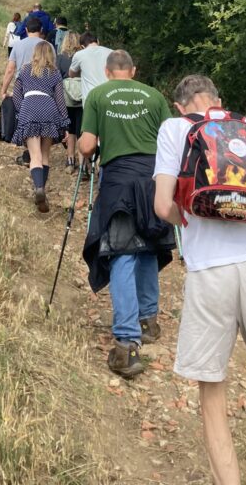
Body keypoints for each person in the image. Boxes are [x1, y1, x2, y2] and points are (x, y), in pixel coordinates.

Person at [153, 74, 246, 485]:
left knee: (212, 392)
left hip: (210, 274)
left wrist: (188, 219)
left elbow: (162, 204)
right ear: (219, 101)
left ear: (180, 105)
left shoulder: (176, 130)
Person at [79, 50, 174, 378]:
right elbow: (169, 142)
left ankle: (126, 342)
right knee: (148, 244)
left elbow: (87, 146)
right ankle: (149, 320)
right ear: (133, 70)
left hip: (119, 179)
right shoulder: (154, 95)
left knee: (121, 251)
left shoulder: (98, 94)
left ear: (107, 72)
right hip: (152, 179)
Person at [11, 41, 69, 212]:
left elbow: (15, 95)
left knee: (34, 155)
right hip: (49, 109)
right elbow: (60, 100)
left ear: (34, 53)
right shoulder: (55, 72)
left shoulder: (25, 70)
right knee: (44, 155)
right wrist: (65, 124)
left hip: (29, 106)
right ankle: (41, 189)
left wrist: (22, 112)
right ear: (51, 54)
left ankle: (38, 189)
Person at [0, 16, 50, 99]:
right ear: (41, 29)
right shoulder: (49, 46)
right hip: (43, 88)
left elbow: (10, 70)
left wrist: (3, 91)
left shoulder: (18, 45)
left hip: (22, 87)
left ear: (26, 29)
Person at [57, 30, 83, 171]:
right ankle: (84, 162)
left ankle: (70, 160)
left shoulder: (60, 58)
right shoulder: (82, 57)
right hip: (82, 98)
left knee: (70, 129)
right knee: (82, 130)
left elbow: (57, 77)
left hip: (66, 98)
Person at [68, 31, 112, 103]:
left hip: (90, 97)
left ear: (82, 46)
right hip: (109, 95)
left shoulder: (79, 55)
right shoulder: (111, 52)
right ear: (98, 41)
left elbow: (71, 74)